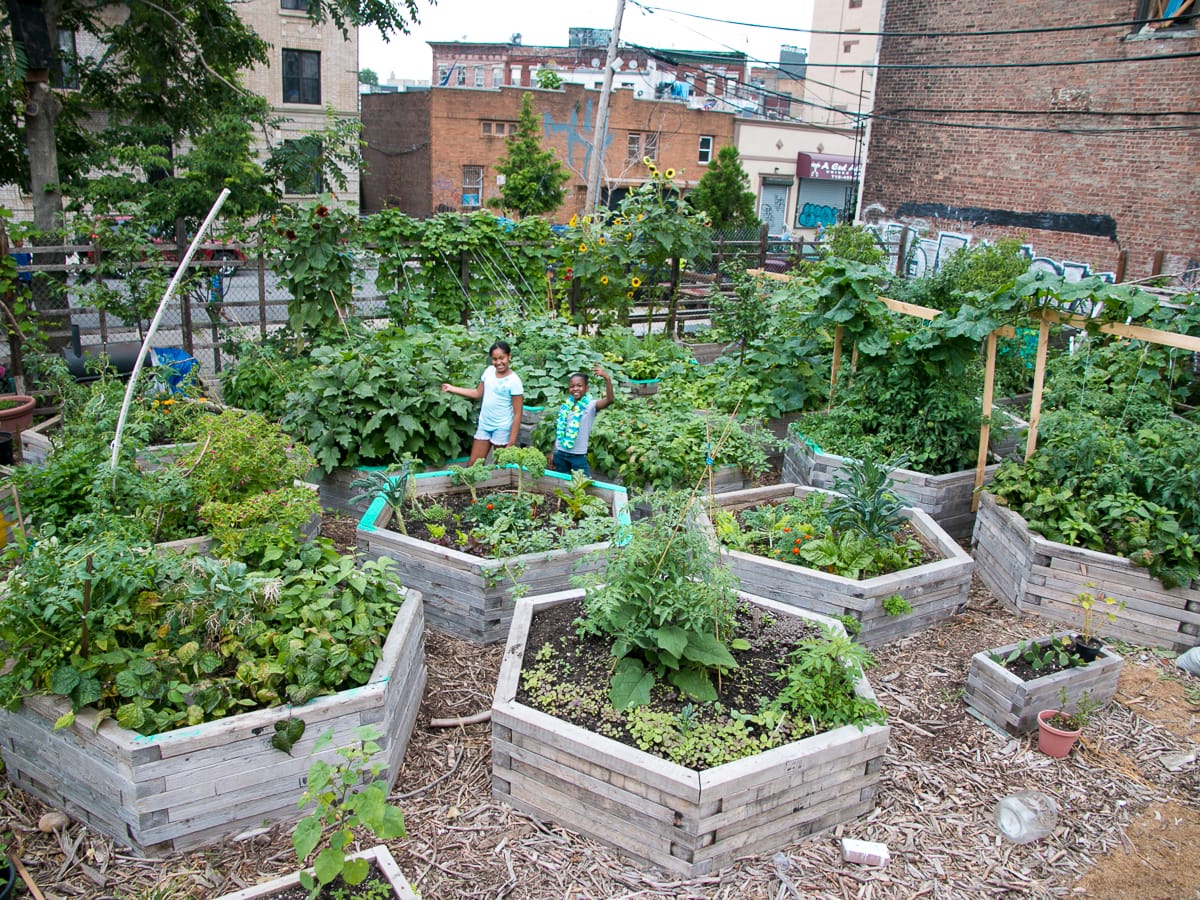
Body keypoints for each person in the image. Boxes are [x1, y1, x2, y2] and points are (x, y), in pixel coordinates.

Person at [442, 341, 524, 466]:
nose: (498, 362)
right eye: (495, 359)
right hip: (485, 425)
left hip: (502, 429)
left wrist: (511, 443)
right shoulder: (489, 371)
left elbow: (518, 414)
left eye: (502, 358)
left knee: (500, 469)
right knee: (473, 465)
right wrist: (451, 388)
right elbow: (477, 393)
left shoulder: (514, 381)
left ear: (509, 356)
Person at [551, 364, 614, 476]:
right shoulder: (565, 406)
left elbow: (609, 400)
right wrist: (553, 452)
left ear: (587, 388)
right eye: (572, 386)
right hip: (560, 453)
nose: (575, 389)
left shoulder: (590, 406)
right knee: (561, 484)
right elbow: (560, 430)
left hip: (578, 456)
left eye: (579, 385)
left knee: (583, 484)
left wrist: (607, 378)